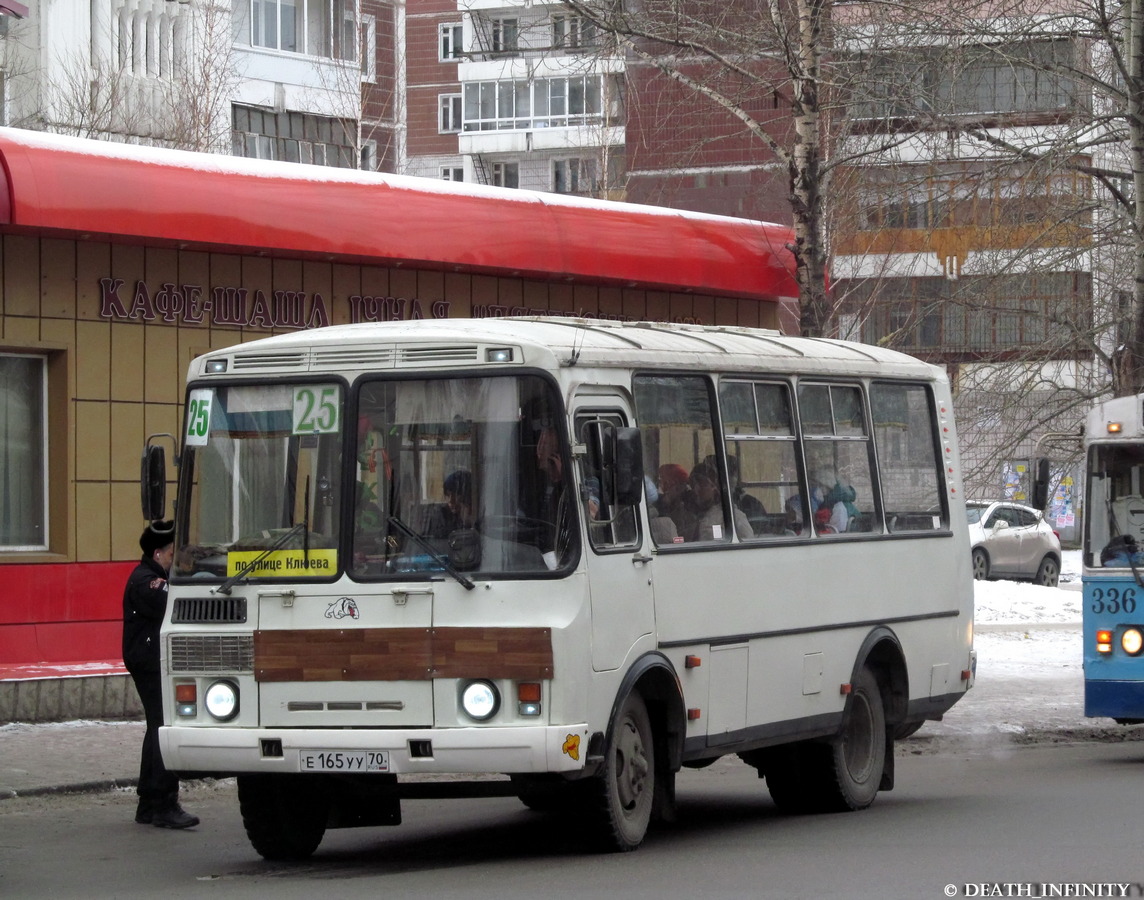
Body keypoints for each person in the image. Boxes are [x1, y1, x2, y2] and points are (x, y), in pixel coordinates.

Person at [122, 520, 200, 829]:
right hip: (151, 662)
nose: (175, 559)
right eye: (171, 553)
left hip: (152, 659)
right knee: (163, 728)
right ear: (158, 554)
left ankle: (149, 804)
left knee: (157, 727)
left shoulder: (151, 576)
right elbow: (177, 604)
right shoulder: (148, 582)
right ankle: (164, 803)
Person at [688, 462, 754, 541]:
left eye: (702, 485)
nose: (696, 490)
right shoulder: (686, 515)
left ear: (714, 487)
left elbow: (748, 545)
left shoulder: (733, 517)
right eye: (693, 485)